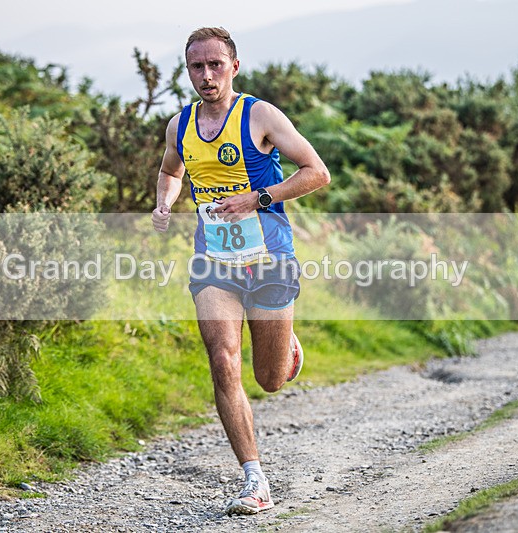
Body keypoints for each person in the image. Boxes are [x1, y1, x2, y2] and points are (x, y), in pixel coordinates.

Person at [151, 27, 330, 515]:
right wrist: (164, 203)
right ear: (187, 71)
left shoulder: (260, 116)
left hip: (270, 257)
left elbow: (317, 171)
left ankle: (285, 342)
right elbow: (171, 170)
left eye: (215, 65)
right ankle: (255, 479)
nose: (206, 76)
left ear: (234, 65)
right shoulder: (179, 125)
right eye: (196, 67)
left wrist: (258, 197)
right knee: (222, 358)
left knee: (270, 378)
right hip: (214, 260)